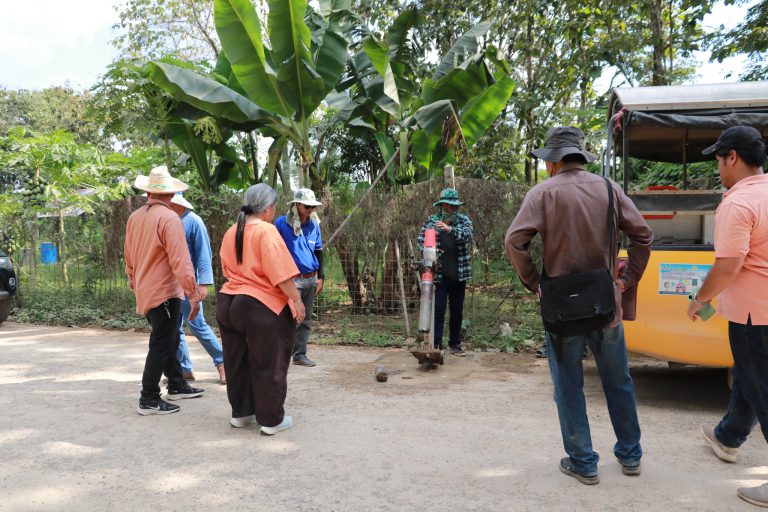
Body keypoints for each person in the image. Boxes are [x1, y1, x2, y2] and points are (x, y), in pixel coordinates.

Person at [505, 126, 653, 484]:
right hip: (607, 306)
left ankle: (583, 462)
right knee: (618, 381)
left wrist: (535, 283)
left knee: (568, 384)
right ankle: (630, 455)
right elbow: (643, 235)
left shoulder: (542, 194)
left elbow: (515, 242)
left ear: (553, 162)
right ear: (580, 157)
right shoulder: (608, 188)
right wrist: (624, 281)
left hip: (562, 310)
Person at [686, 126, 768, 508]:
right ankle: (728, 436)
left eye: (719, 160)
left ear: (732, 157)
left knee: (761, 388)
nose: (718, 168)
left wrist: (699, 298)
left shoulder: (737, 203)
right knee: (752, 380)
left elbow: (729, 264)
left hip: (755, 316)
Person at [217, 184, 305, 436]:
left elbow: (226, 268)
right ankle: (271, 419)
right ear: (268, 208)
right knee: (269, 362)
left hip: (228, 302)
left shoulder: (232, 230)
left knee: (237, 361)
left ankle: (242, 414)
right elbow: (282, 275)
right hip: (260, 305)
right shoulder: (267, 231)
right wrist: (297, 301)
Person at [124, 166, 205, 415]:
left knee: (169, 337)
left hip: (144, 287)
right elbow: (181, 261)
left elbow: (128, 255)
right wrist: (193, 293)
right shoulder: (169, 218)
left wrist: (132, 278)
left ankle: (177, 383)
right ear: (170, 194)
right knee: (162, 341)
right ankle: (148, 397)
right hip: (164, 290)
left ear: (149, 191)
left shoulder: (135, 217)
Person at [167, 192, 226, 384]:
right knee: (174, 329)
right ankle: (185, 369)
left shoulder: (193, 221)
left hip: (188, 285)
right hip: (169, 286)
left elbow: (203, 254)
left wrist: (203, 285)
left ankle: (223, 362)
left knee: (197, 326)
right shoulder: (167, 220)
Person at [417, 188, 474, 356]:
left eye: (453, 206)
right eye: (447, 205)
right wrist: (431, 248)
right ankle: (437, 345)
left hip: (459, 274)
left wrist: (450, 230)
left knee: (457, 311)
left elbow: (468, 236)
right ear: (441, 205)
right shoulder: (431, 221)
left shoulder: (463, 220)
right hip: (439, 274)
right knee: (439, 309)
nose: (450, 208)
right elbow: (421, 242)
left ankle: (455, 344)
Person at [274, 188, 325, 367]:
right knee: (288, 319)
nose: (310, 209)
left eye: (312, 206)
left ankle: (299, 355)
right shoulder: (281, 224)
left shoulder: (314, 225)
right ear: (296, 205)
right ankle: (280, 355)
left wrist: (321, 277)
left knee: (305, 319)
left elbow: (318, 251)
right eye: (306, 206)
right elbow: (273, 252)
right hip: (291, 280)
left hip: (311, 278)